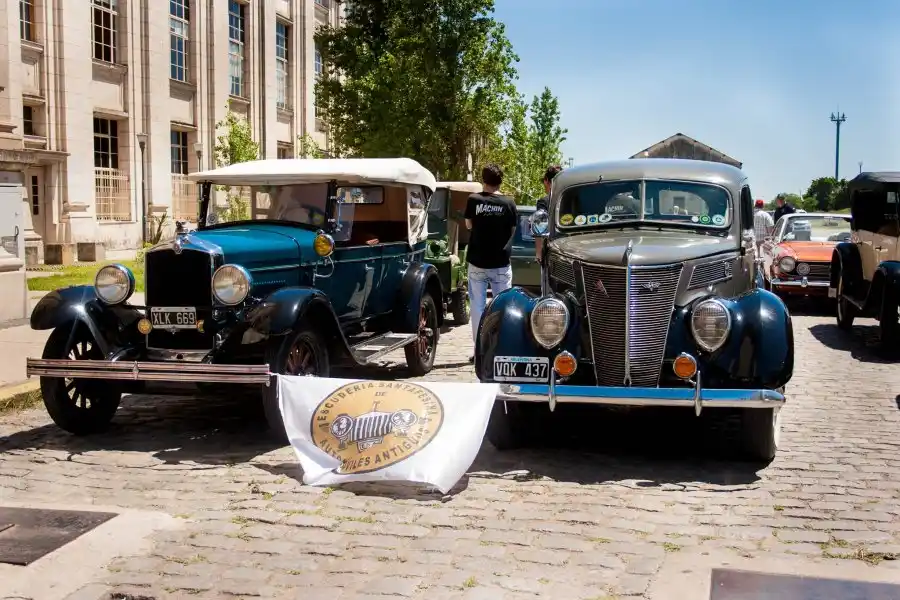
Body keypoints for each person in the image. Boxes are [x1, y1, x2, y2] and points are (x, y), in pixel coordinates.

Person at [465, 163, 518, 361]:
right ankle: (502, 348)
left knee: (477, 306)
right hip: (501, 262)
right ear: (500, 181)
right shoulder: (509, 203)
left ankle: (479, 350)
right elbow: (513, 230)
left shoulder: (474, 200)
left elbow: (469, 225)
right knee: (503, 305)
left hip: (478, 261)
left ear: (483, 180)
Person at [535, 165, 563, 260]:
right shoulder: (570, 199)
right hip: (567, 251)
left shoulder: (543, 201)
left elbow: (539, 227)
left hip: (551, 251)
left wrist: (538, 253)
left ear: (546, 180)